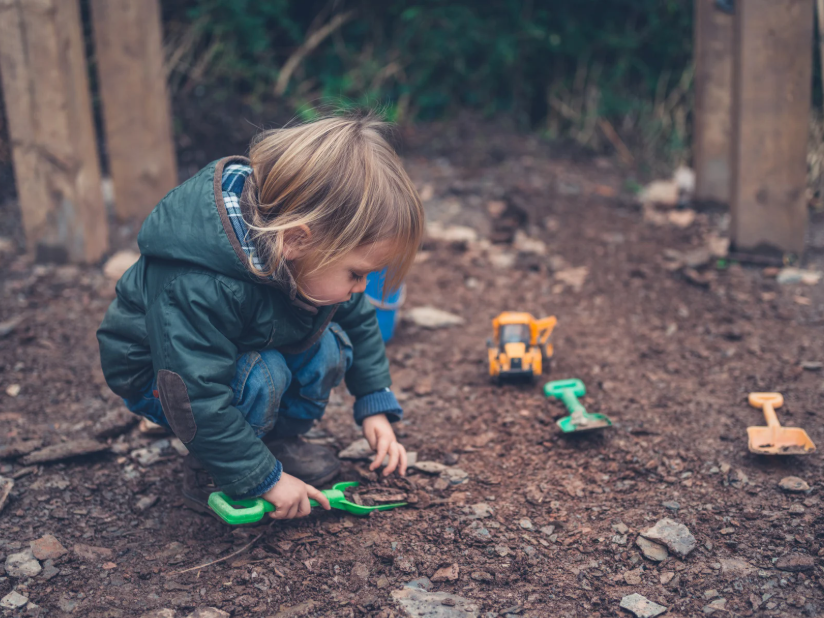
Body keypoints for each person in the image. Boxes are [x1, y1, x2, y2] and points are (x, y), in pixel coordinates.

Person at [97, 112, 424, 520]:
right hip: (164, 377)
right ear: (296, 240)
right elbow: (193, 391)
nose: (361, 288)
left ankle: (272, 444)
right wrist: (262, 481)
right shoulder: (199, 283)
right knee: (262, 374)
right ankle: (217, 472)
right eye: (356, 274)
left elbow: (357, 319)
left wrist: (375, 404)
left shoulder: (302, 257)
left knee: (327, 347)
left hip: (235, 348)